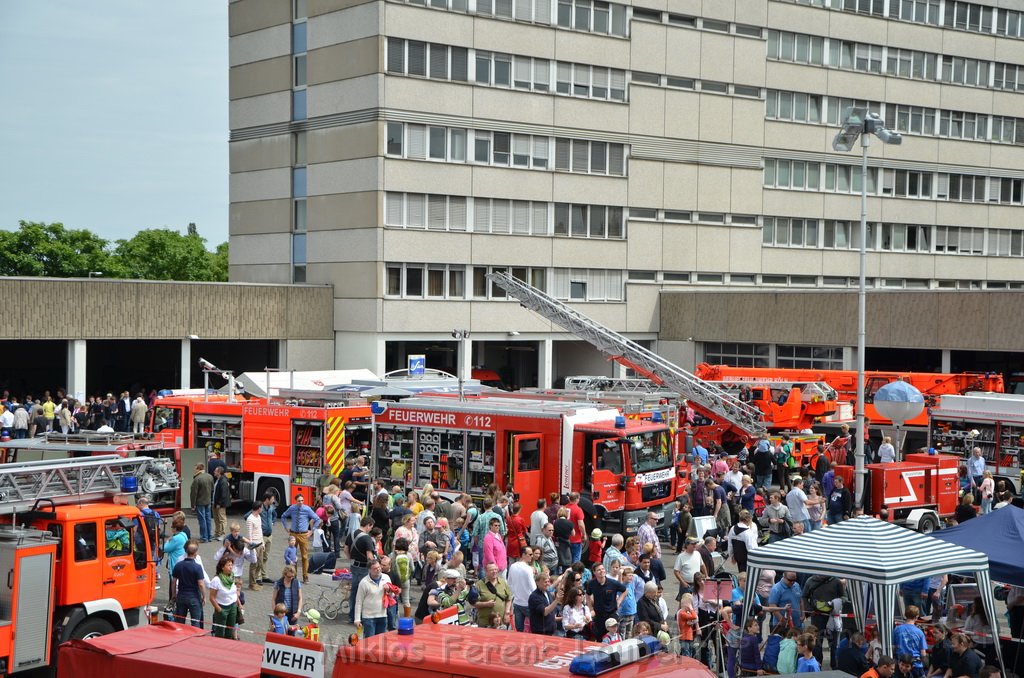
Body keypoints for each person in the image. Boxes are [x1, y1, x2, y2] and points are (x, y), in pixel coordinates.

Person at [280, 493, 323, 583]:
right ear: (296, 501)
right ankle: (293, 576)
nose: (301, 502)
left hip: (303, 535)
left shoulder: (307, 509)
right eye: (299, 501)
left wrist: (311, 531)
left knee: (304, 556)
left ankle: (305, 576)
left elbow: (317, 519)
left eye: (302, 500)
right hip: (293, 534)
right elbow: (283, 516)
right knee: (292, 556)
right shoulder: (292, 508)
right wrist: (286, 527)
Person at [171, 539, 207, 628]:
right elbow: (201, 584)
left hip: (181, 596)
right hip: (194, 597)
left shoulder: (178, 565)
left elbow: (174, 582)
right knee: (195, 623)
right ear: (195, 553)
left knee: (180, 622)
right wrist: (204, 596)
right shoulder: (197, 567)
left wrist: (174, 595)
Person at [587, 562, 628, 639]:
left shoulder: (613, 583)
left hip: (611, 614)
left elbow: (625, 590)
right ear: (594, 572)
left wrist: (619, 601)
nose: (602, 571)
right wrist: (590, 608)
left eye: (603, 569)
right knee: (600, 638)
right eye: (599, 570)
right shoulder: (592, 583)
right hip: (599, 616)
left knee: (612, 637)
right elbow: (587, 594)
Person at [354, 559, 390, 638]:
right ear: (370, 570)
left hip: (383, 615)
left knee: (381, 641)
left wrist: (389, 590)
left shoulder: (386, 578)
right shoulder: (364, 583)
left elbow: (392, 596)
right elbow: (359, 601)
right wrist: (357, 619)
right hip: (369, 617)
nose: (378, 569)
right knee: (369, 641)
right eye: (375, 568)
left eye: (379, 567)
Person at [210, 554, 240, 639]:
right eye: (228, 565)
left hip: (233, 606)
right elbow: (212, 597)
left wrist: (238, 603)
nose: (231, 567)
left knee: (230, 630)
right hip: (222, 607)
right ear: (222, 567)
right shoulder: (216, 580)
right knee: (220, 631)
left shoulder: (232, 577)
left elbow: (234, 592)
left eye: (231, 565)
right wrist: (219, 610)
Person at [893, 605, 928, 676]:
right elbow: (923, 653)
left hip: (901, 665)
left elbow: (893, 647)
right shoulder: (919, 632)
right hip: (915, 665)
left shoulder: (897, 629)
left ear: (905, 615)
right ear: (917, 616)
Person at [476, 561, 512, 628]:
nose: (494, 572)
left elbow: (509, 599)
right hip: (485, 623)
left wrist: (507, 613)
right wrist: (486, 604)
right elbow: (473, 603)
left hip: (500, 623)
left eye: (495, 569)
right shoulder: (479, 584)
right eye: (491, 570)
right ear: (486, 571)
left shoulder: (503, 582)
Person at [508, 546, 536, 632]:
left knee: (519, 630)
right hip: (528, 603)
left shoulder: (512, 566)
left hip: (517, 602)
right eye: (530, 554)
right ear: (523, 555)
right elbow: (533, 588)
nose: (532, 556)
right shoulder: (528, 569)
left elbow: (509, 583)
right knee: (534, 628)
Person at [189, 463, 214, 543]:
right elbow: (212, 489)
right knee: (208, 519)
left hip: (200, 502)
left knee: (202, 519)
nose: (194, 470)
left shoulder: (197, 479)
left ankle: (204, 537)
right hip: (208, 501)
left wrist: (193, 505)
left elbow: (194, 493)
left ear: (198, 469)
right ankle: (209, 536)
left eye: (195, 468)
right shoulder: (210, 476)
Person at [212, 466, 231, 540]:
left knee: (222, 519)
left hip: (220, 504)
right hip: (215, 503)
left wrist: (219, 503)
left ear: (219, 472)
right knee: (216, 519)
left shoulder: (223, 481)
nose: (214, 472)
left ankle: (222, 534)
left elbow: (223, 494)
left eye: (215, 471)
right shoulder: (218, 480)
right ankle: (217, 533)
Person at [677, 592, 698, 657]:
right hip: (685, 637)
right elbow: (694, 616)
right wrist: (691, 609)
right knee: (686, 654)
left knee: (690, 653)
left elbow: (696, 618)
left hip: (689, 636)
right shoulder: (682, 613)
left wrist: (691, 622)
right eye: (690, 604)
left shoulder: (686, 613)